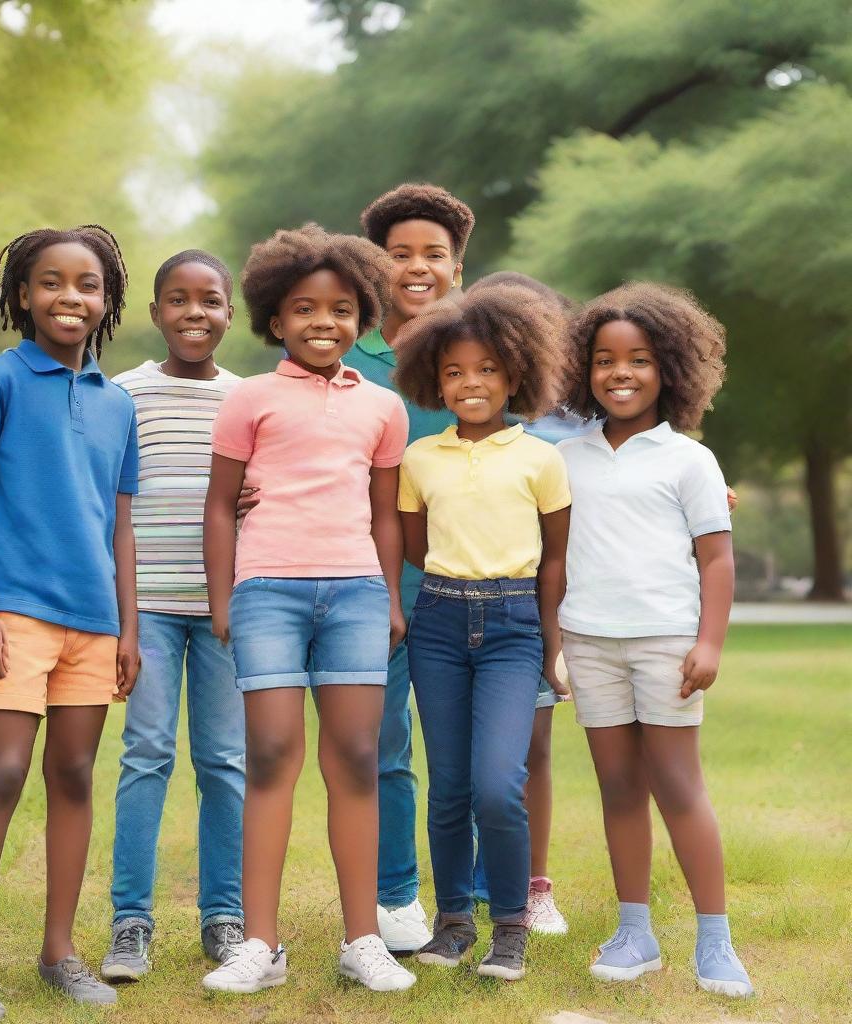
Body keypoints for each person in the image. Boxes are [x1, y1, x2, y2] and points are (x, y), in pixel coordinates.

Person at [201, 224, 416, 993]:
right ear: (275, 319)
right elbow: (220, 505)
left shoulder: (384, 408)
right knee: (270, 756)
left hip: (356, 592)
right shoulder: (250, 399)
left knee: (357, 758)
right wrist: (225, 599)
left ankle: (364, 940)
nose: (323, 322)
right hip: (268, 594)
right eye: (304, 308)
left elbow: (386, 514)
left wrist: (390, 597)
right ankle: (260, 944)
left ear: (364, 317)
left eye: (341, 309)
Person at [0, 225, 139, 1024]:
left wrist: (129, 629)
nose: (71, 297)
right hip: (16, 612)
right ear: (22, 295)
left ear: (106, 300)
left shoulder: (117, 401)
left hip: (94, 622)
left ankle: (59, 951)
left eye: (87, 284)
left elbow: (120, 522)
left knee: (73, 775)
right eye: (52, 283)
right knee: (2, 772)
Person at [558, 283, 753, 998]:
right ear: (584, 369)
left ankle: (715, 942)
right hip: (590, 642)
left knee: (678, 786)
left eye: (638, 359)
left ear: (668, 369)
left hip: (666, 644)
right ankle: (635, 933)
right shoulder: (567, 457)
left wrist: (709, 644)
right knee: (618, 788)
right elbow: (551, 558)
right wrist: (556, 640)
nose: (621, 373)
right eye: (605, 359)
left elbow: (717, 559)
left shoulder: (689, 460)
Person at [393, 284, 571, 980]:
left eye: (488, 370)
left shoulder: (540, 458)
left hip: (513, 626)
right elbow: (415, 544)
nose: (472, 383)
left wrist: (550, 646)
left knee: (500, 786)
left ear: (515, 374)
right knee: (450, 790)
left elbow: (555, 557)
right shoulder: (420, 458)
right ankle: (453, 923)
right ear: (434, 379)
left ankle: (510, 928)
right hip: (438, 622)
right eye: (456, 371)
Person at [100, 250, 247, 983]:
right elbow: (110, 504)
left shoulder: (249, 398)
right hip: (149, 606)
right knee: (146, 756)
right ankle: (131, 922)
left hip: (227, 609)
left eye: (211, 300)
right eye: (179, 300)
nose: (196, 313)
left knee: (225, 762)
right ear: (155, 312)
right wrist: (120, 621)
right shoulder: (123, 393)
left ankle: (225, 916)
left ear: (230, 313)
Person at [348, 182, 475, 952]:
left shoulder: (479, 350)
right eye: (400, 255)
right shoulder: (346, 354)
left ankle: (480, 895)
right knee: (384, 743)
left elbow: (548, 440)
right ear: (375, 266)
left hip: (470, 579)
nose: (417, 267)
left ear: (459, 267)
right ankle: (397, 896)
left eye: (434, 254)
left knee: (466, 749)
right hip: (372, 580)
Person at [466, 271, 588, 934]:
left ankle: (533, 884)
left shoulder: (573, 424)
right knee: (472, 757)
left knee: (532, 747)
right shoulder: (470, 407)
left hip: (539, 608)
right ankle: (472, 882)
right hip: (460, 602)